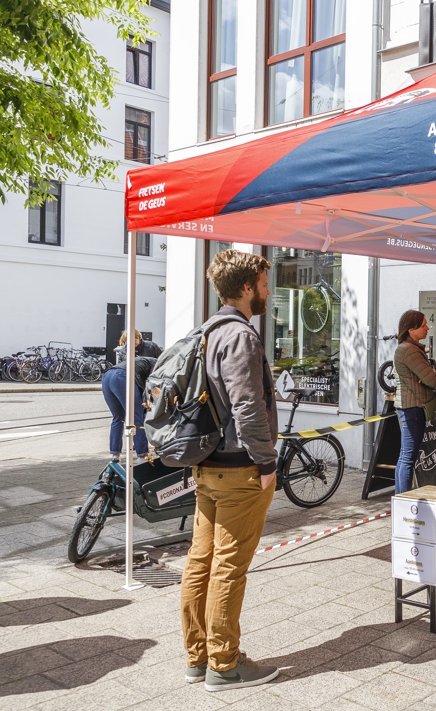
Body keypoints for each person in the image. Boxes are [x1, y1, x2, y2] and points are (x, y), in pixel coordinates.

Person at [180, 249, 280, 692]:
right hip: (239, 471)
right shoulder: (240, 335)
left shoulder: (206, 331)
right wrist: (266, 462)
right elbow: (247, 406)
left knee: (201, 563)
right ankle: (225, 664)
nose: (267, 291)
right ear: (245, 288)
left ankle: (198, 657)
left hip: (207, 466)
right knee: (228, 567)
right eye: (263, 284)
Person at [393, 310, 436, 494]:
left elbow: (426, 378)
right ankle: (403, 501)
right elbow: (432, 380)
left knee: (404, 457)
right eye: (423, 325)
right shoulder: (410, 350)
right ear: (411, 330)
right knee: (408, 459)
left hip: (409, 406)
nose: (427, 328)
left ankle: (400, 500)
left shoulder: (408, 348)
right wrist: (434, 373)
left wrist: (427, 375)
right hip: (413, 408)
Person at [100, 355, 157, 463]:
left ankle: (115, 456)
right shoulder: (158, 364)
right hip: (123, 377)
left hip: (107, 376)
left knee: (118, 418)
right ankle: (142, 457)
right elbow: (154, 386)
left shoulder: (145, 361)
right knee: (136, 417)